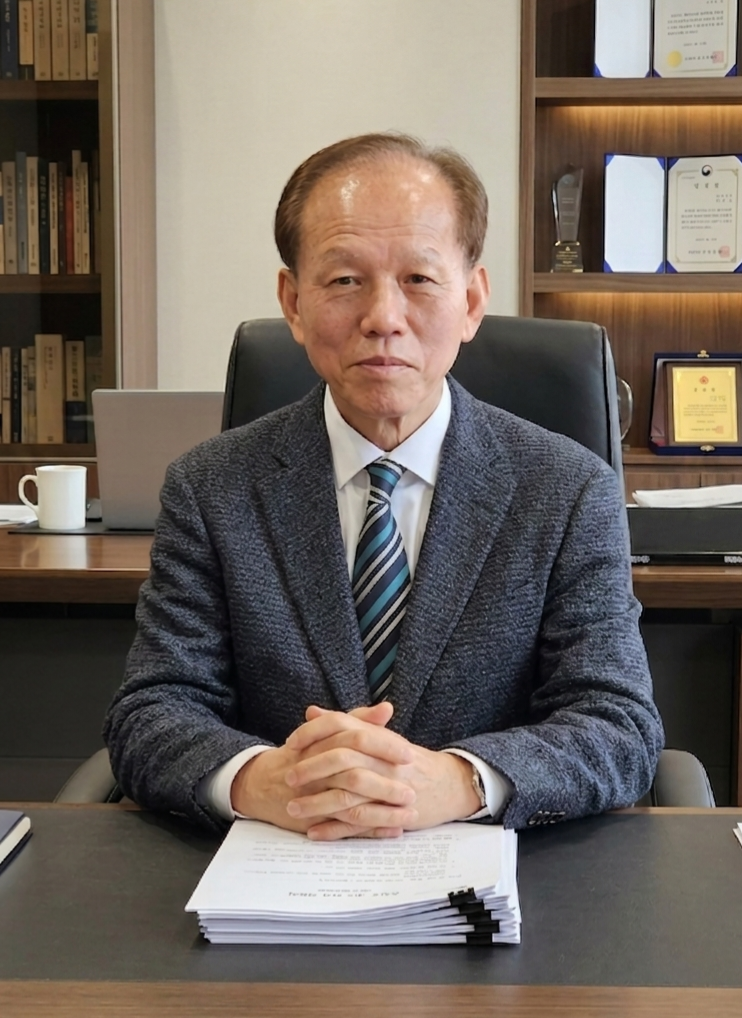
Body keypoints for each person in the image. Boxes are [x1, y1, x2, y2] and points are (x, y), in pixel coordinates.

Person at [104, 132, 663, 838]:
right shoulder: (211, 488)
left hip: (495, 871)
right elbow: (152, 711)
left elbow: (617, 725)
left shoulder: (568, 489)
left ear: (472, 300)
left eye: (419, 279)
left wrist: (457, 781)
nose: (383, 319)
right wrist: (260, 780)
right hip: (280, 861)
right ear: (293, 302)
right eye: (345, 280)